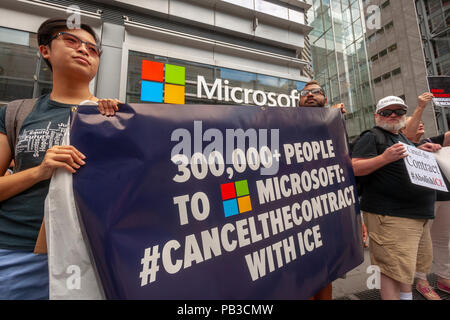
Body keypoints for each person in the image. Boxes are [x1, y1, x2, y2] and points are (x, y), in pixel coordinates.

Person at [0, 17, 120, 299]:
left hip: (86, 254)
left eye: (92, 48)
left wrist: (124, 125)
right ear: (45, 50)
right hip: (19, 250)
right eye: (71, 41)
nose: (84, 50)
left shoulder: (113, 118)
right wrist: (40, 171)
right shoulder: (16, 112)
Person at [351, 95, 441, 300]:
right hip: (391, 216)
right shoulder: (371, 136)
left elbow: (403, 163)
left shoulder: (403, 138)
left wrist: (420, 151)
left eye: (398, 111)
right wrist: (384, 157)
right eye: (386, 112)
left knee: (404, 268)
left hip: (415, 215)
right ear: (377, 115)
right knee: (391, 270)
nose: (392, 115)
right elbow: (354, 167)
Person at [298, 80, 366, 300]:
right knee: (302, 275)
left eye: (316, 92)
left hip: (330, 214)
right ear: (298, 102)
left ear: (325, 100)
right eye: (304, 93)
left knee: (326, 273)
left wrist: (355, 217)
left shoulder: (337, 127)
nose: (309, 95)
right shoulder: (290, 125)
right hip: (297, 215)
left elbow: (345, 173)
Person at [402, 94, 450, 300]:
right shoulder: (402, 147)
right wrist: (420, 106)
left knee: (442, 239)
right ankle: (421, 280)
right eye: (414, 123)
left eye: (421, 123)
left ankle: (444, 277)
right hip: (422, 200)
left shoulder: (432, 141)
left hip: (445, 197)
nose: (419, 125)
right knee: (423, 241)